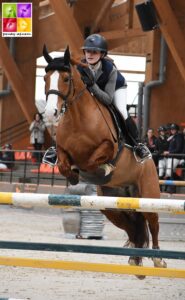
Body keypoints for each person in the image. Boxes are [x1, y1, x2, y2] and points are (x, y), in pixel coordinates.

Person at [43, 34, 151, 166]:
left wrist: (92, 85)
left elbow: (107, 99)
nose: (90, 54)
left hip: (114, 89)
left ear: (102, 54)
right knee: (69, 109)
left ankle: (138, 145)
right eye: (88, 51)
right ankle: (56, 148)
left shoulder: (110, 70)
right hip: (92, 91)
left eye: (94, 51)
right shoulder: (80, 67)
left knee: (122, 111)